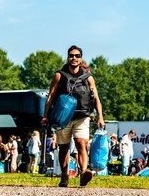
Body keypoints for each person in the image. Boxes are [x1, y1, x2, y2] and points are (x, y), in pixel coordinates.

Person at [41, 45, 105, 187]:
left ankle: (83, 172)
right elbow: (51, 96)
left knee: (81, 144)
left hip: (82, 116)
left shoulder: (88, 77)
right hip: (63, 118)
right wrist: (45, 115)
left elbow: (96, 98)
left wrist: (100, 116)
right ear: (68, 57)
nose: (74, 58)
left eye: (77, 56)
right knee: (63, 148)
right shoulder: (59, 75)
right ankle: (64, 176)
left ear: (80, 58)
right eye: (71, 55)